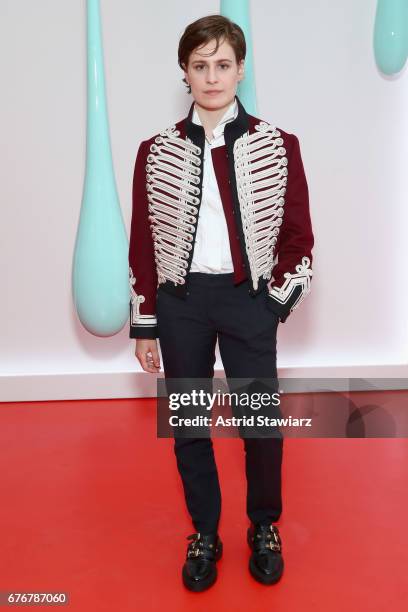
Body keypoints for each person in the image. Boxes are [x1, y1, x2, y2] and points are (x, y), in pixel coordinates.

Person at [128, 14, 314, 592]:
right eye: (200, 66)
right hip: (181, 303)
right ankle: (204, 532)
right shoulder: (153, 151)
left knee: (260, 426)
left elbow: (298, 237)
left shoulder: (278, 145)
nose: (212, 77)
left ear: (240, 69)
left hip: (247, 300)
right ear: (185, 73)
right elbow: (142, 241)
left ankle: (264, 526)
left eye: (223, 65)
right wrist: (146, 324)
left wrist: (273, 305)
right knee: (189, 426)